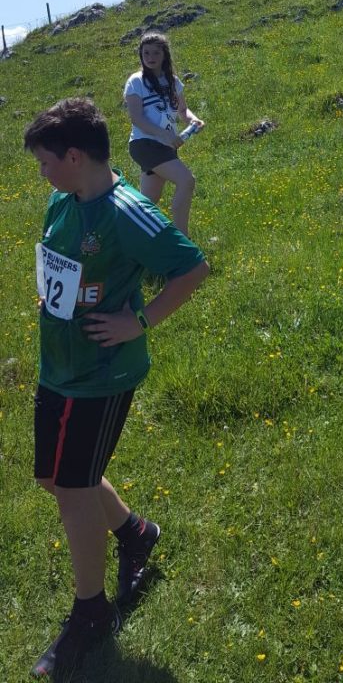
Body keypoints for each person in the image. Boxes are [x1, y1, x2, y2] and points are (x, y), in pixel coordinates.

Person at [24, 97, 210, 680]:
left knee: (73, 488)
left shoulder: (128, 212)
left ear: (75, 156)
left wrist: (140, 320)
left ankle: (90, 613)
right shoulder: (63, 199)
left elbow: (192, 268)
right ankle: (136, 533)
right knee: (54, 478)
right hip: (59, 364)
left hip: (102, 375)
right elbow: (62, 263)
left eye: (46, 161)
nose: (42, 173)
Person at [124, 31, 204, 235]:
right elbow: (137, 118)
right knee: (186, 180)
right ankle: (182, 241)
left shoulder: (173, 82)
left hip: (166, 145)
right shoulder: (136, 81)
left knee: (148, 201)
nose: (150, 57)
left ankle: (125, 237)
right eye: (146, 53)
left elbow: (183, 110)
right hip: (145, 144)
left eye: (156, 53)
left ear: (164, 55)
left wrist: (193, 120)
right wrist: (164, 134)